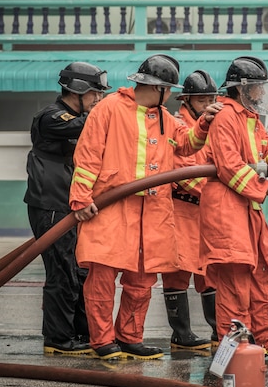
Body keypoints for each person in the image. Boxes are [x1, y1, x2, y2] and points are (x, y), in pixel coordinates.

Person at [69, 54, 216, 360]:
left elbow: (187, 144)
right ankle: (103, 341)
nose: (173, 95)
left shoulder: (164, 116)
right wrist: (81, 198)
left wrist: (204, 123)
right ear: (158, 87)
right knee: (102, 278)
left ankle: (130, 338)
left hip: (151, 212)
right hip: (111, 208)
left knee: (142, 280)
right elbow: (88, 155)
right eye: (170, 89)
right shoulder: (109, 108)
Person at [198, 56, 268, 358]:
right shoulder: (226, 117)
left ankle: (267, 340)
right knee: (234, 280)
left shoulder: (248, 117)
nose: (261, 93)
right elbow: (228, 166)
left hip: (246, 208)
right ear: (242, 88)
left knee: (261, 272)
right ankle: (235, 349)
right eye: (257, 87)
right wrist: (266, 188)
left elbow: (266, 145)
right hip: (226, 210)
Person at [23, 61, 111, 356]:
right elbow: (82, 125)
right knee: (61, 272)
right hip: (50, 207)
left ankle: (77, 333)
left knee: (77, 271)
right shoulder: (51, 116)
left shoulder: (81, 119)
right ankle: (59, 340)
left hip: (70, 207)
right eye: (96, 93)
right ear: (78, 90)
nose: (98, 100)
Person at [162, 70, 223, 351]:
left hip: (205, 210)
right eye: (202, 99)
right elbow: (181, 170)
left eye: (211, 98)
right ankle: (181, 335)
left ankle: (217, 330)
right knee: (177, 271)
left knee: (210, 271)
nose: (208, 103)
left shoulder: (213, 125)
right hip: (182, 208)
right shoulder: (176, 126)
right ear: (186, 100)